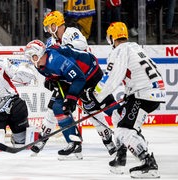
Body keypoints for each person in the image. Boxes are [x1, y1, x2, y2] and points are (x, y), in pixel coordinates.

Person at [31, 10, 118, 158]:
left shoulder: (71, 32)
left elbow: (80, 45)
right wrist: (50, 79)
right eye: (46, 28)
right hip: (68, 79)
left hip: (87, 76)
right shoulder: (51, 42)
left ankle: (108, 140)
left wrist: (63, 48)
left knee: (92, 111)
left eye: (50, 26)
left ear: (57, 24)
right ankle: (46, 139)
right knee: (55, 107)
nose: (48, 31)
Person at [89, 22, 165, 178]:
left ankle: (148, 163)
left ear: (111, 38)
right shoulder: (135, 48)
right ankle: (121, 155)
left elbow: (110, 78)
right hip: (148, 92)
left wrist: (96, 96)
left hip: (143, 94)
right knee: (117, 115)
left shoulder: (119, 51)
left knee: (124, 130)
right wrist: (129, 94)